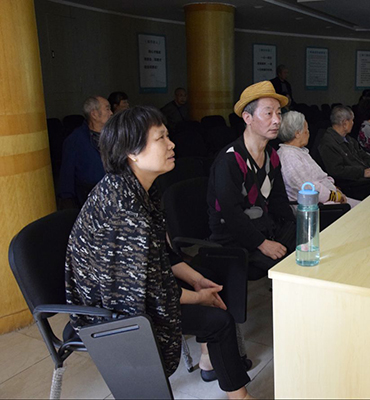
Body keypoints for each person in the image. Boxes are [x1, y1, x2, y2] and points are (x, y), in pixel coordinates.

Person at [65, 106, 253, 399]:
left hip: (136, 290)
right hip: (112, 312)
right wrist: (199, 297)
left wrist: (198, 281)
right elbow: (152, 290)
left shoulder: (138, 187)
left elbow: (160, 254)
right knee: (218, 320)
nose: (172, 144)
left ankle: (208, 358)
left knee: (213, 273)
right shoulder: (125, 212)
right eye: (161, 138)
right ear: (133, 153)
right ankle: (238, 393)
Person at [208, 81, 296, 272]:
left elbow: (278, 200)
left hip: (265, 227)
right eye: (268, 113)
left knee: (310, 239)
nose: (277, 120)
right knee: (283, 264)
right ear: (248, 118)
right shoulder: (230, 160)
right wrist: (262, 243)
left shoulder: (271, 156)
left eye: (279, 113)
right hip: (234, 237)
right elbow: (231, 214)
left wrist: (295, 227)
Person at [277, 111, 360, 208]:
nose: (308, 132)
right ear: (297, 134)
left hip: (328, 199)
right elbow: (308, 187)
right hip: (316, 207)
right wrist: (335, 196)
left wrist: (334, 189)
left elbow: (320, 176)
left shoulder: (299, 151)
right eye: (306, 129)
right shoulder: (289, 156)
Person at [319, 105, 370, 199]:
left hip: (367, 177)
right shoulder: (328, 143)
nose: (353, 123)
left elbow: (362, 154)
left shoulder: (349, 139)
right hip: (355, 183)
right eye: (351, 120)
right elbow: (336, 170)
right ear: (345, 123)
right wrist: (362, 172)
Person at [58, 96, 111, 208]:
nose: (111, 113)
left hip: (113, 194)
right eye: (107, 109)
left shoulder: (114, 136)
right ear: (94, 114)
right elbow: (67, 173)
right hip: (89, 199)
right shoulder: (75, 140)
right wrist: (67, 199)